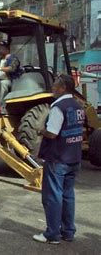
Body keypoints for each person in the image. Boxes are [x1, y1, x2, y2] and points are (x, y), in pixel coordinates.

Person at [33, 74, 85, 244]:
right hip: (74, 157)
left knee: (52, 196)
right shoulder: (78, 106)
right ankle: (68, 232)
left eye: (55, 85)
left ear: (63, 88)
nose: (53, 88)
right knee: (68, 196)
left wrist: (41, 131)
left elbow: (53, 133)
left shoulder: (58, 108)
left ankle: (52, 234)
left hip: (58, 159)